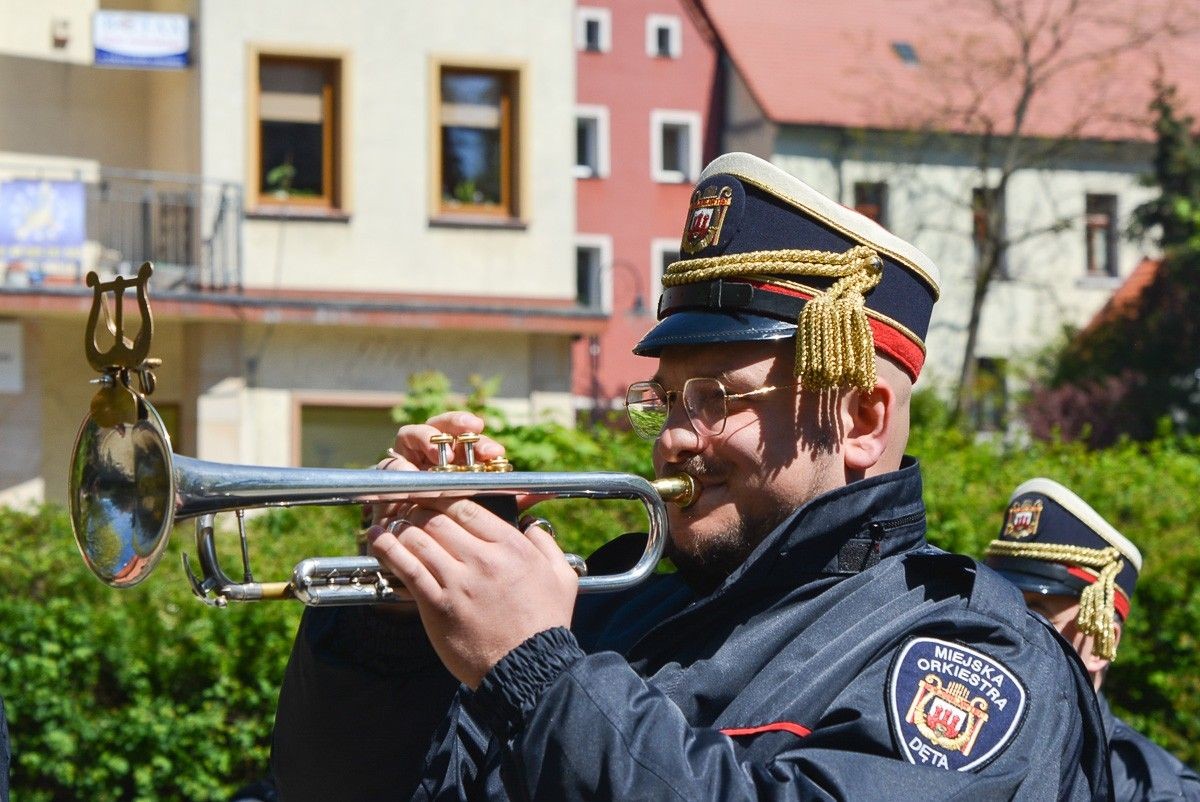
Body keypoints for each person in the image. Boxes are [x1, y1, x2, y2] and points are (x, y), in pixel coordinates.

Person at [270, 153, 1110, 799]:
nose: (674, 435)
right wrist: (393, 633)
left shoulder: (968, 653)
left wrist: (539, 671)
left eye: (715, 397)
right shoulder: (608, 602)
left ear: (858, 420)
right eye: (665, 397)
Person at [987, 478, 1200, 801]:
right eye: (1004, 607)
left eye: (1038, 617)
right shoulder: (965, 738)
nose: (1009, 629)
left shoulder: (1155, 792)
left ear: (1102, 643)